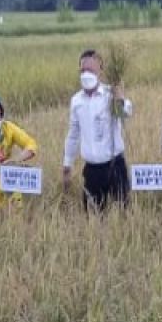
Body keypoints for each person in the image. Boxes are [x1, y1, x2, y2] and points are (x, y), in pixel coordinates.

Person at [62, 49, 132, 212]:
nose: (86, 74)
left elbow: (126, 113)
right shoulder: (76, 101)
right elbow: (73, 134)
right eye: (83, 70)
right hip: (92, 170)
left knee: (123, 215)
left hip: (115, 166)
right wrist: (67, 163)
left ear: (100, 71)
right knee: (93, 217)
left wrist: (120, 99)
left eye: (91, 70)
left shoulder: (110, 94)